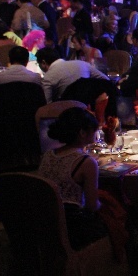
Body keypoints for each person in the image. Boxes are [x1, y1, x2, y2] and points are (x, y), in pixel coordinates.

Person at [37, 107, 107, 249]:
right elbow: (92, 206)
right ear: (82, 133)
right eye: (94, 130)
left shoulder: (47, 155)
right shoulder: (86, 162)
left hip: (46, 223)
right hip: (74, 228)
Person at [36, 46, 108, 103]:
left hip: (68, 112)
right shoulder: (82, 64)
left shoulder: (48, 77)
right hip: (91, 110)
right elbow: (106, 80)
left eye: (38, 64)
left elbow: (47, 104)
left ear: (43, 63)